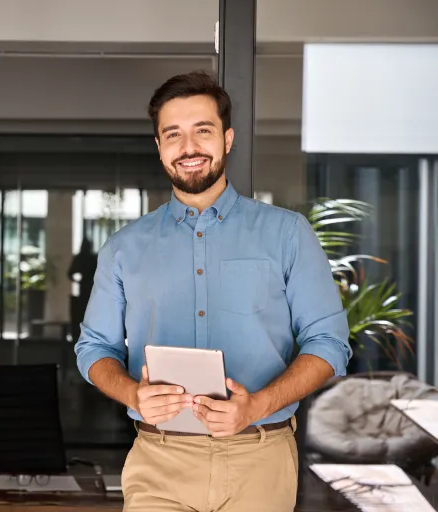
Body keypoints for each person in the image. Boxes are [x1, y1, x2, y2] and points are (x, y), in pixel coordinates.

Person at [74, 71, 352, 511]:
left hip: (260, 459)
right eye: (173, 135)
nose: (188, 148)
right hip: (158, 458)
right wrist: (132, 394)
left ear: (227, 138)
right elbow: (93, 348)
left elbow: (329, 342)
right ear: (160, 148)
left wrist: (258, 404)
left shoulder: (287, 233)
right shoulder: (123, 248)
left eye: (202, 131)